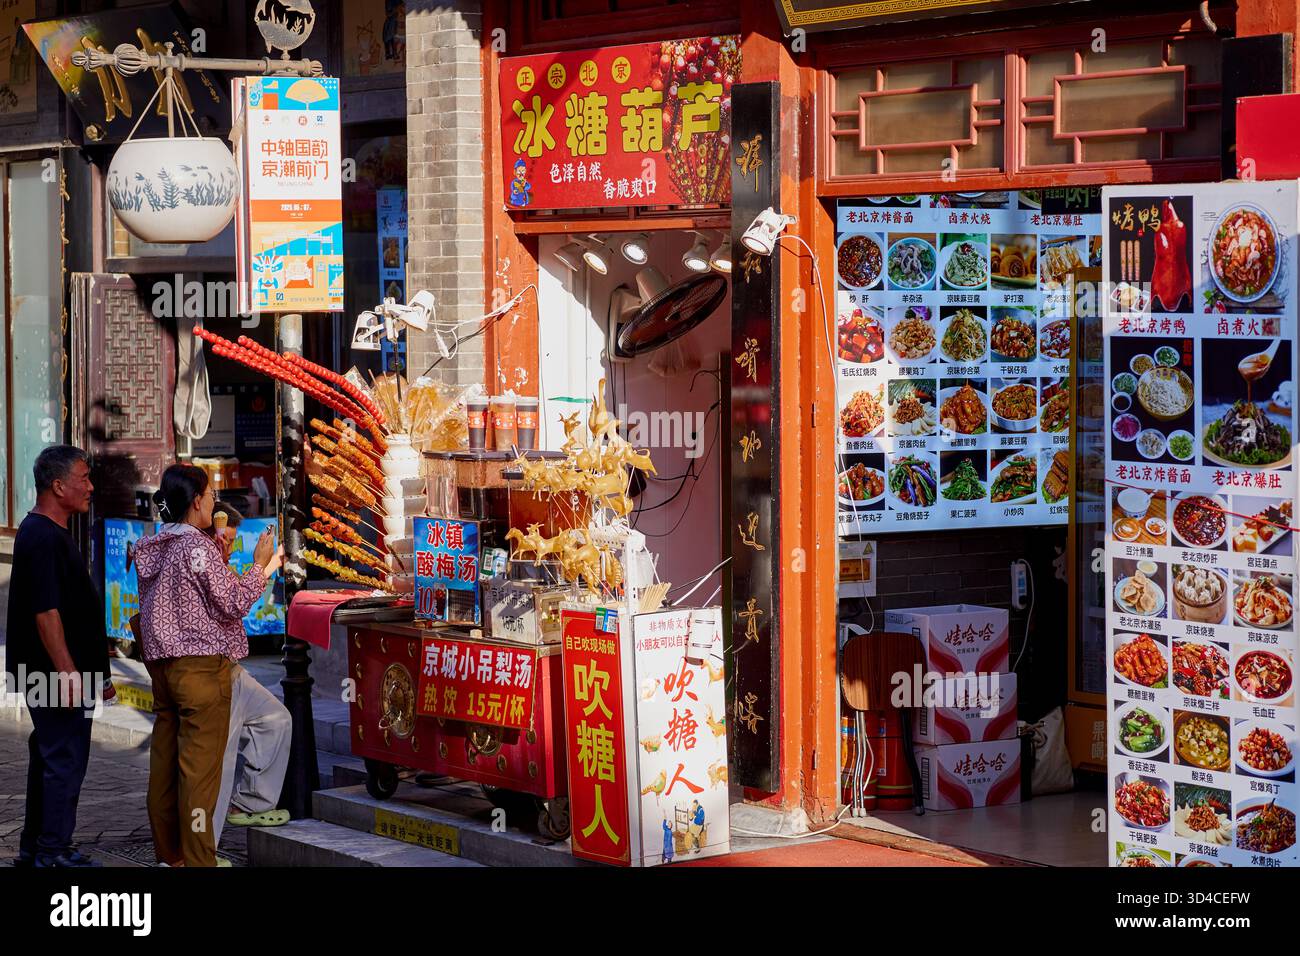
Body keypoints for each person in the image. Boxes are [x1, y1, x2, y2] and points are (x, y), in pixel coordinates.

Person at [133, 464, 285, 867]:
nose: (216, 501)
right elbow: (232, 602)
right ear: (196, 502)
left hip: (164, 669)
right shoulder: (195, 547)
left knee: (164, 775)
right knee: (200, 780)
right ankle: (199, 862)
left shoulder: (157, 542)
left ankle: (171, 857)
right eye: (212, 495)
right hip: (200, 670)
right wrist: (259, 564)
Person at [4, 445, 108, 867]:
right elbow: (46, 614)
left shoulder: (46, 532)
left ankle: (37, 847)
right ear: (58, 484)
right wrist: (68, 673)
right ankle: (52, 851)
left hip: (55, 671)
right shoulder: (43, 536)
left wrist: (97, 673)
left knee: (51, 756)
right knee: (64, 759)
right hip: (51, 673)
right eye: (83, 478)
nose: (90, 487)